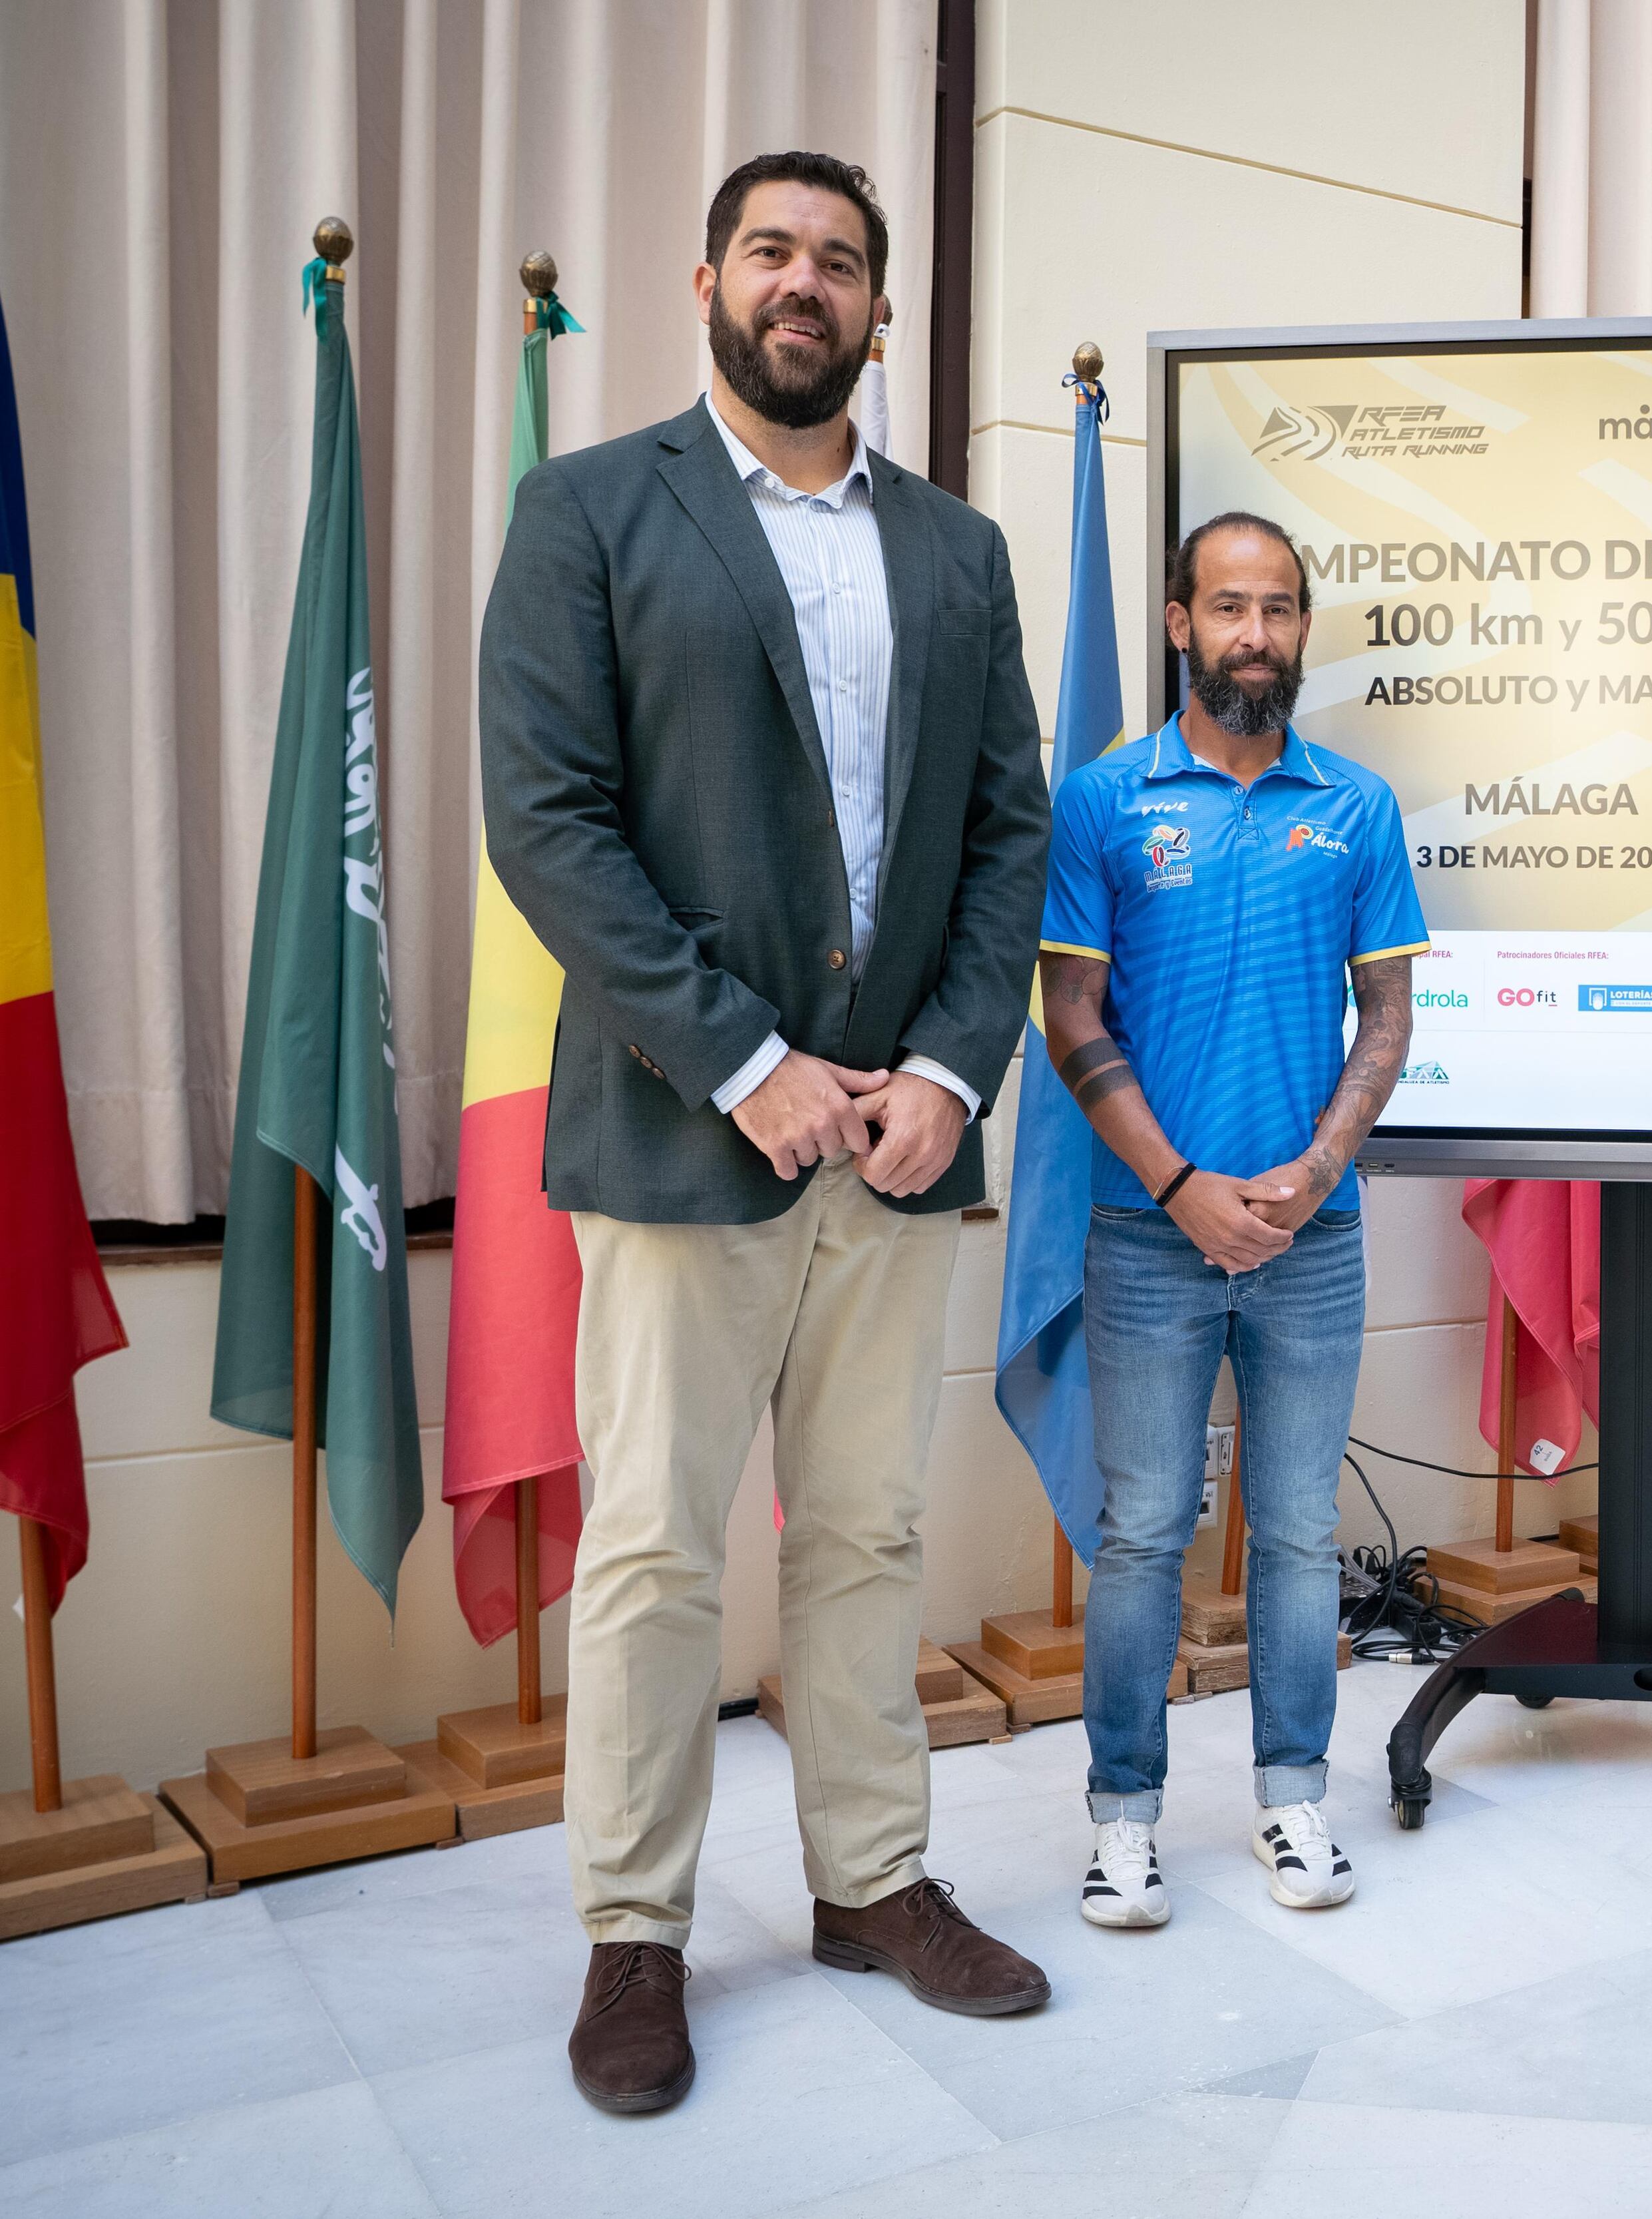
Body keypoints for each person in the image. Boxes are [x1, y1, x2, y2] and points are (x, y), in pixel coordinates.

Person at [481, 150, 1054, 2115]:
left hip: (898, 1146)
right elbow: (549, 823)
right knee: (649, 1548)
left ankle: (870, 1881)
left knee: (872, 1531)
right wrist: (748, 1061)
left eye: (841, 263)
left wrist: (950, 1073)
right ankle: (634, 1931)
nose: (805, 285)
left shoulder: (960, 554)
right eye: (773, 253)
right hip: (680, 1134)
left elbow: (1003, 836)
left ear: (880, 314)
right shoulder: (586, 515)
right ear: (708, 281)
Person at [1036, 511, 1425, 1931]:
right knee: (1142, 1528)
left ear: (1302, 629)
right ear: (1178, 623)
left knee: (1302, 1534)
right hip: (1149, 1237)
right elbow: (1067, 1010)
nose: (1254, 633)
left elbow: (1386, 1012)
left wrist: (1315, 1171)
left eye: (1279, 609)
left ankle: (1290, 1799)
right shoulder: (1100, 800)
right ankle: (1123, 1822)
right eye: (1228, 607)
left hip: (1310, 1238)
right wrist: (1183, 1190)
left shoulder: (1358, 807)